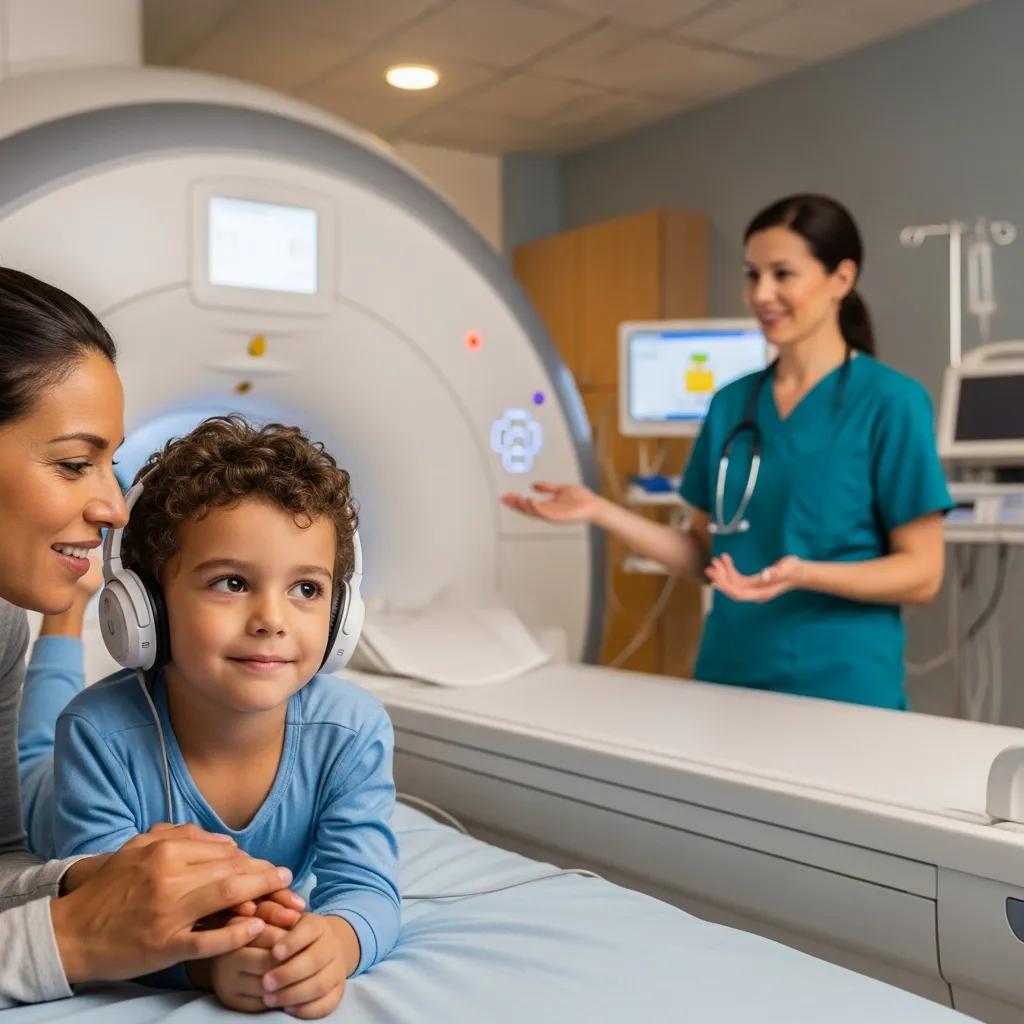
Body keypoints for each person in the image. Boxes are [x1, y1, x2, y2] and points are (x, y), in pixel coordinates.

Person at [503, 195, 952, 710]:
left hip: (841, 687)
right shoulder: (732, 404)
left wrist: (804, 572)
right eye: (752, 275)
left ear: (841, 280)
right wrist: (600, 511)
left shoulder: (890, 402)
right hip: (729, 677)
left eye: (783, 274)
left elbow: (922, 573)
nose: (762, 294)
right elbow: (703, 555)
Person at [19, 415, 401, 1018]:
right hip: (49, 793)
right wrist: (206, 962)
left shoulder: (352, 733)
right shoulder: (98, 734)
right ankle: (67, 613)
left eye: (306, 589)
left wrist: (338, 941)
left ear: (340, 617)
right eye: (231, 582)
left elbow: (366, 889)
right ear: (149, 608)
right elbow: (116, 918)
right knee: (32, 752)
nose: (271, 618)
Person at [0, 267, 302, 1008]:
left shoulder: (2, 624)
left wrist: (98, 883)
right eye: (75, 463)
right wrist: (74, 939)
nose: (113, 505)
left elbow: (4, 851)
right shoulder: (102, 726)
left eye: (109, 463)